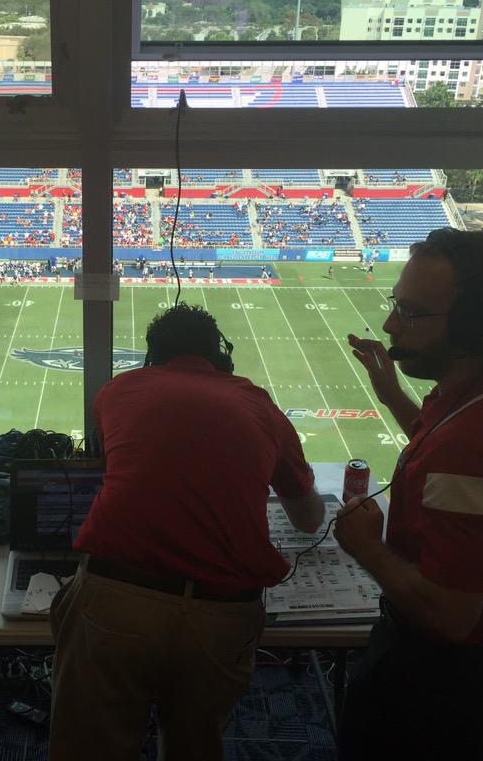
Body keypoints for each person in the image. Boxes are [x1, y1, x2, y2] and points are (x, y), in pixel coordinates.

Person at [48, 303, 325, 761]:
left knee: (88, 747)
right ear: (221, 357)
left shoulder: (118, 391)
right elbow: (309, 520)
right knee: (195, 745)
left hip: (117, 596)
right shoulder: (262, 406)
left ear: (149, 359)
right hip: (223, 611)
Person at [339, 228, 483, 760]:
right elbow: (447, 449)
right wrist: (393, 396)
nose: (390, 325)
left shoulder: (473, 446)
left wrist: (364, 544)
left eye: (411, 314)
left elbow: (450, 616)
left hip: (441, 675)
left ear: (473, 326)